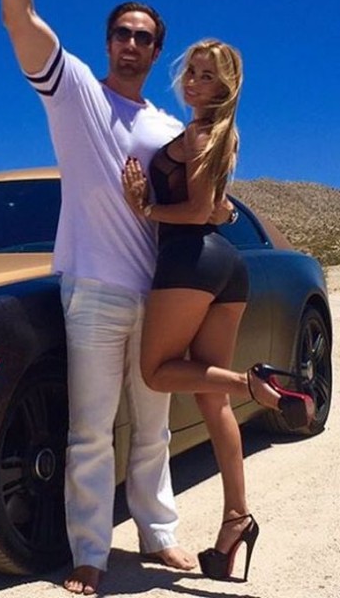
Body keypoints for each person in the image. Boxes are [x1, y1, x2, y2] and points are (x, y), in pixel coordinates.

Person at [0, 0, 235, 594]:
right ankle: (90, 553)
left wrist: (218, 206)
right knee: (90, 429)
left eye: (144, 37)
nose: (131, 44)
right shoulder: (72, 91)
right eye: (122, 33)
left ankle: (159, 534)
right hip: (94, 287)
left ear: (157, 52)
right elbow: (19, 18)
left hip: (160, 291)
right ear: (107, 42)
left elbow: (203, 193)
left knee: (154, 422)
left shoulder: (167, 125)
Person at [122, 39, 315, 581]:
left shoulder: (202, 134)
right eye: (191, 71)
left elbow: (199, 209)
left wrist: (145, 207)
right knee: (212, 400)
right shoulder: (219, 134)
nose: (193, 82)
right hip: (227, 265)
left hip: (190, 261)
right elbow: (218, 209)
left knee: (157, 372)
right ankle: (237, 519)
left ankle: (256, 384)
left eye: (207, 76)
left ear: (224, 87)